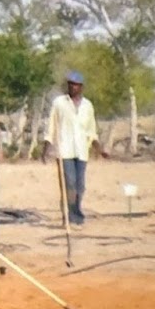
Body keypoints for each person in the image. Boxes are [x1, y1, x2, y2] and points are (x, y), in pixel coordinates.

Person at [42, 70, 107, 226]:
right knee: (69, 184)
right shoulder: (59, 103)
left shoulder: (87, 106)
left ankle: (77, 215)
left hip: (81, 151)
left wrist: (100, 150)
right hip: (64, 150)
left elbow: (91, 131)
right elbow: (51, 127)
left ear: (81, 87)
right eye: (70, 84)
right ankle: (68, 216)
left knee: (80, 186)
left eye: (76, 85)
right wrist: (45, 149)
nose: (72, 88)